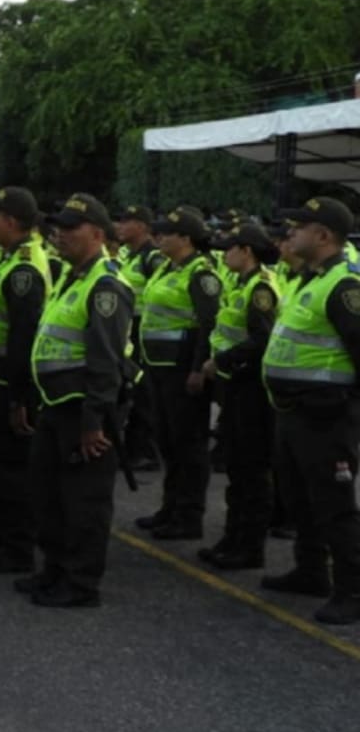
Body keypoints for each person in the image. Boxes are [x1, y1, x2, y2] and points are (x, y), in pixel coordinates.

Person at [23, 194, 133, 607]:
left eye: (71, 228)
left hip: (83, 410)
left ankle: (81, 583)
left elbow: (106, 362)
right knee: (49, 495)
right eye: (59, 227)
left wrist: (94, 422)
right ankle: (54, 570)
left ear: (98, 234)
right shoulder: (74, 277)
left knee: (83, 502)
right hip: (56, 405)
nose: (60, 234)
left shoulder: (106, 286)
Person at [261, 197, 360, 625]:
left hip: (327, 418)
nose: (290, 233)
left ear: (323, 235)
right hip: (294, 415)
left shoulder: (345, 285)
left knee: (335, 507)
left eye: (299, 226)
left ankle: (352, 592)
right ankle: (310, 570)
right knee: (300, 499)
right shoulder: (310, 278)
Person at [0, 187, 52, 575]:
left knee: (13, 468)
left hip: (10, 381)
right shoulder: (7, 259)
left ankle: (16, 549)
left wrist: (21, 397)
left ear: (12, 222)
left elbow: (23, 338)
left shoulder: (24, 269)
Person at [198, 223, 280, 570]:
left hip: (251, 390)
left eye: (229, 247)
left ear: (246, 251)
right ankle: (233, 539)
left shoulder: (260, 289)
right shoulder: (240, 283)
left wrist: (222, 361)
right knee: (236, 467)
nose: (223, 253)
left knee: (250, 470)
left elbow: (262, 341)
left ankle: (249, 547)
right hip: (235, 386)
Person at [136, 208, 220, 540]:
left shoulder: (202, 275)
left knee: (189, 444)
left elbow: (208, 324)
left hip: (183, 370)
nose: (159, 238)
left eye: (166, 233)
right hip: (158, 369)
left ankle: (189, 515)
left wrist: (199, 368)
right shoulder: (168, 269)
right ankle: (170, 508)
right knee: (168, 442)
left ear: (186, 239)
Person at [114, 205, 166, 472]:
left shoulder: (152, 258)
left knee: (143, 392)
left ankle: (145, 451)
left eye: (127, 221)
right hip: (126, 329)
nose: (120, 226)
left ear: (144, 227)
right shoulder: (128, 255)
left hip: (142, 331)